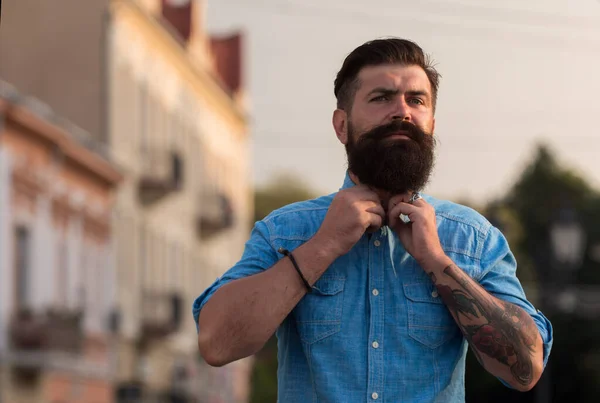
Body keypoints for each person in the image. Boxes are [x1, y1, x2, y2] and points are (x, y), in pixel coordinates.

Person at [193, 38, 553, 402]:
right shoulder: (285, 232)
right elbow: (216, 344)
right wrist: (323, 246)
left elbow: (526, 369)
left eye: (416, 100)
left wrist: (438, 262)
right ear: (341, 125)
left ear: (431, 124)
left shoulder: (472, 239)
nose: (402, 111)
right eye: (381, 98)